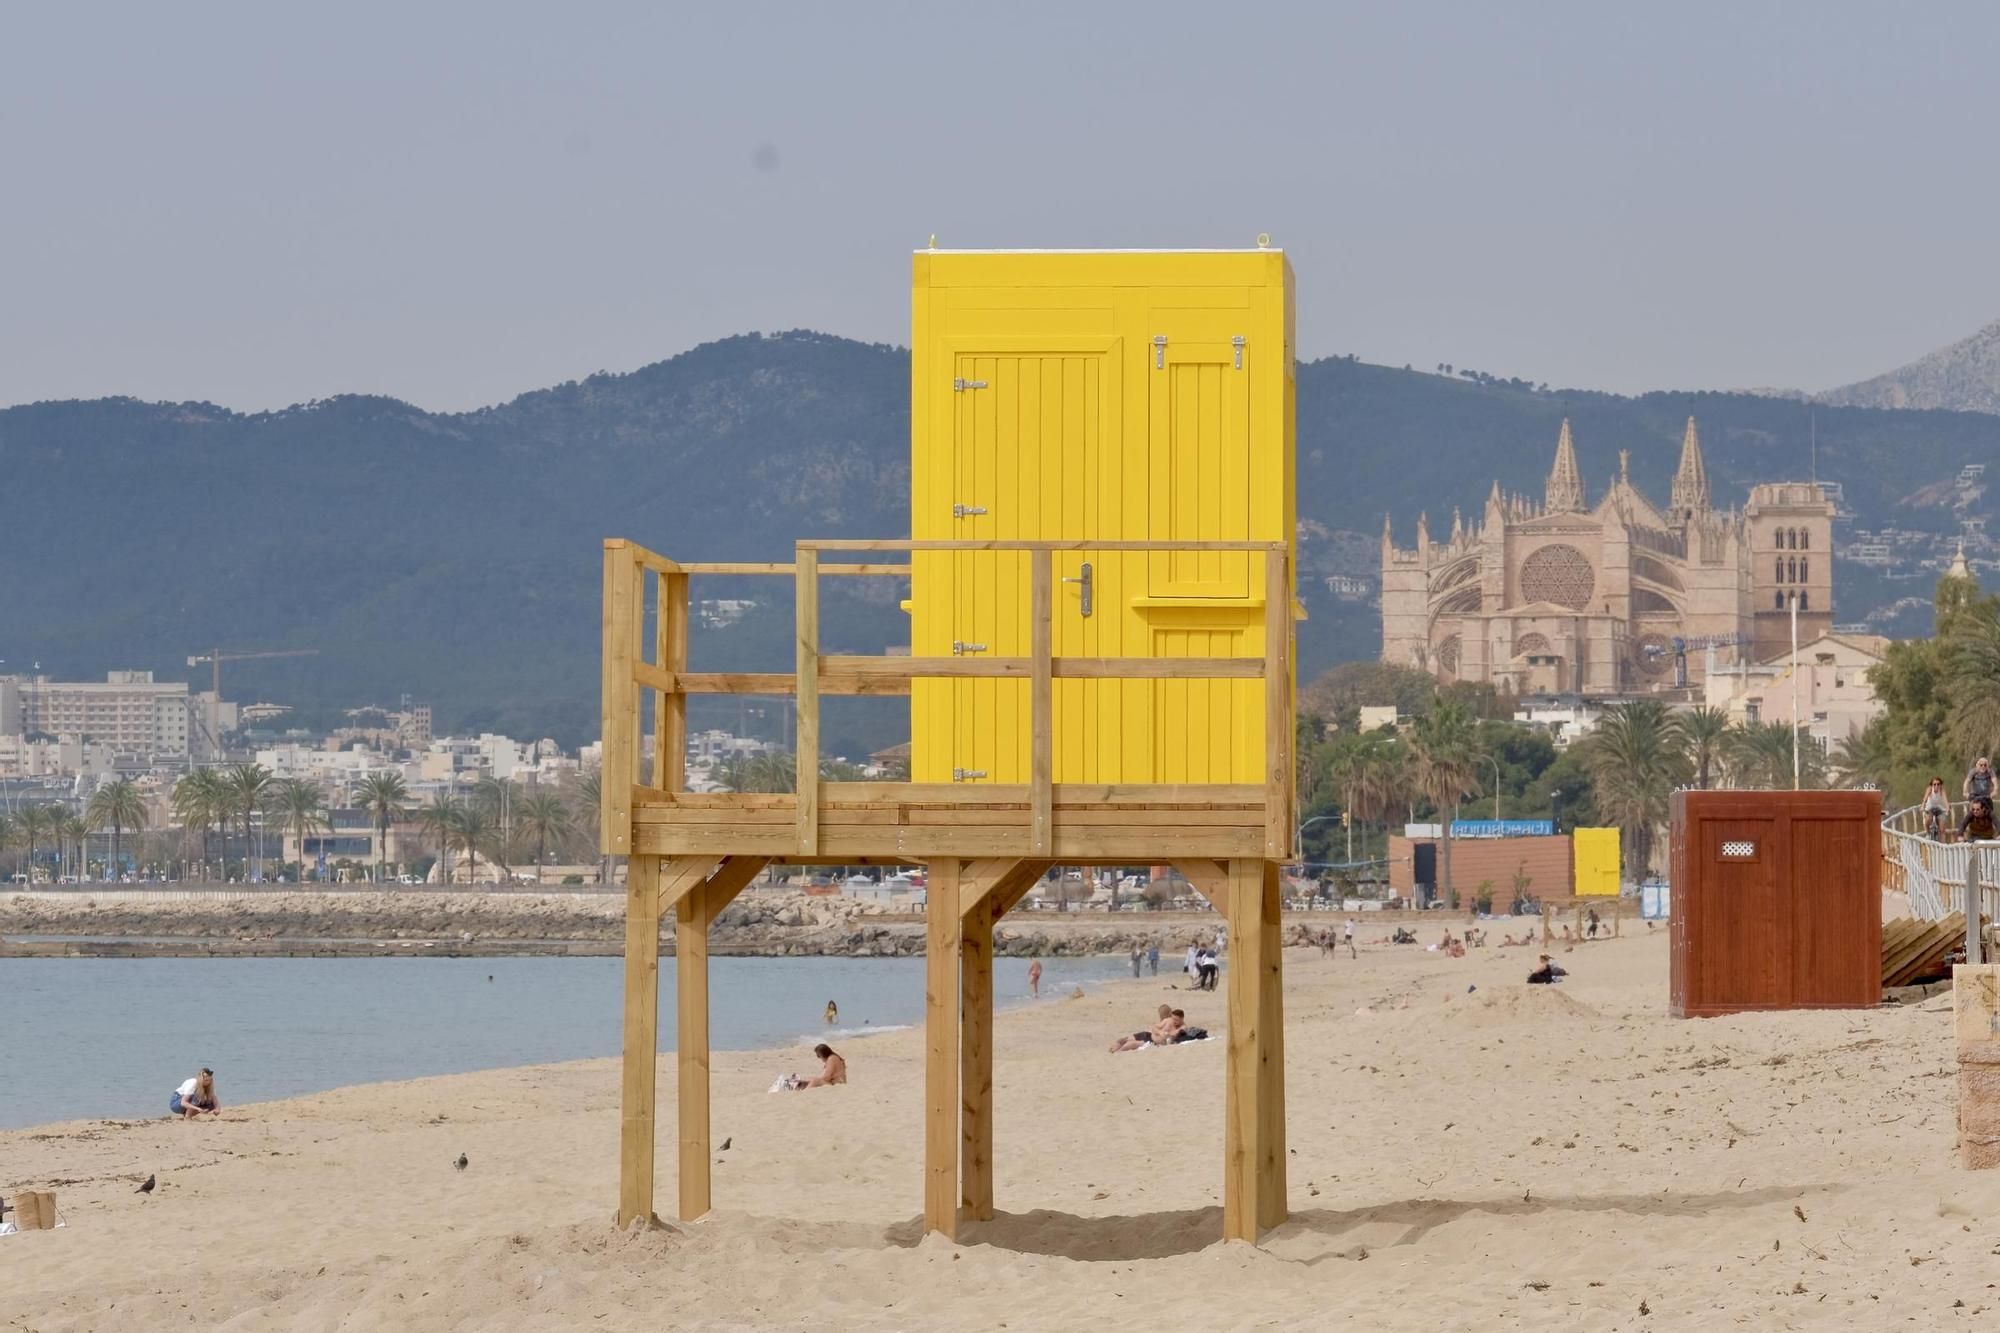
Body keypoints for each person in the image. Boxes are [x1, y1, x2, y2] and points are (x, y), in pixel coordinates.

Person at [1923, 776, 1951, 841]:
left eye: (1938, 784)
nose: (1936, 786)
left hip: (1940, 809)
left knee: (1942, 829)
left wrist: (1947, 808)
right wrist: (1922, 805)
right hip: (1930, 808)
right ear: (1931, 785)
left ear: (1940, 785)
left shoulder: (1942, 791)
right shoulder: (1929, 789)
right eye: (1934, 784)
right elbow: (1925, 799)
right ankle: (1927, 833)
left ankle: (1943, 845)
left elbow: (1945, 800)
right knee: (1928, 820)